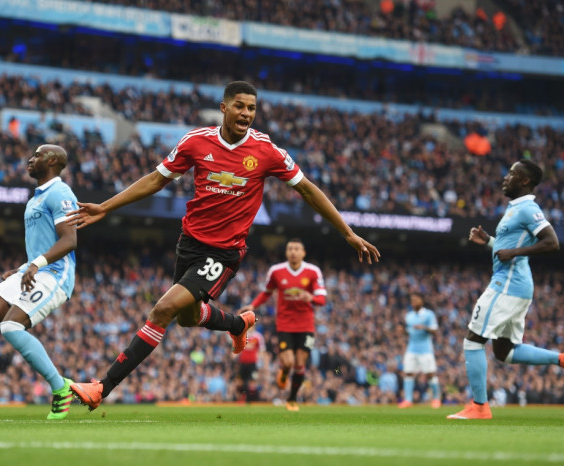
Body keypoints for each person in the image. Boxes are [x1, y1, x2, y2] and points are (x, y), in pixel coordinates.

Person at [66, 81, 380, 410]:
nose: (246, 113)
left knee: (162, 310)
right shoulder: (196, 142)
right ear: (224, 107)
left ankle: (102, 386)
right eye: (240, 106)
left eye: (252, 108)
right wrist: (106, 206)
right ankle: (236, 323)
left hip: (224, 252)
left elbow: (308, 189)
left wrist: (347, 232)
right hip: (189, 244)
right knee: (186, 318)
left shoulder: (266, 151)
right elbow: (157, 179)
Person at [448, 159, 564, 420]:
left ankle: (479, 406)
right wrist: (489, 241)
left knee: (473, 339)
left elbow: (552, 242)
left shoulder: (528, 209)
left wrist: (515, 251)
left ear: (525, 181)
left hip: (508, 284)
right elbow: (507, 249)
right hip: (515, 284)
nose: (506, 177)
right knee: (504, 351)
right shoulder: (514, 209)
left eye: (512, 174)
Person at [0, 144, 78, 420]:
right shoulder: (35, 199)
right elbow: (41, 245)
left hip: (55, 274)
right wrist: (22, 268)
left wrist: (34, 265)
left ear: (52, 160)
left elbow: (70, 240)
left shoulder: (61, 192)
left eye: (37, 155)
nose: (30, 160)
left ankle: (60, 387)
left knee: (10, 326)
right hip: (32, 270)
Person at [237, 238, 326, 411]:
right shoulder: (276, 271)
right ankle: (284, 370)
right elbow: (266, 292)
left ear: (303, 253)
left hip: (306, 325)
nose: (293, 252)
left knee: (300, 363)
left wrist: (312, 298)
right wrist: (253, 305)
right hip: (285, 324)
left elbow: (322, 299)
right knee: (288, 362)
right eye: (290, 249)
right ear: (286, 252)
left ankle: (292, 399)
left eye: (296, 249)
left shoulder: (313, 272)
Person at [397, 291, 441, 409]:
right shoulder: (409, 316)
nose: (413, 302)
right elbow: (410, 332)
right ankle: (408, 400)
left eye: (416, 299)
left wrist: (424, 327)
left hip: (425, 349)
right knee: (408, 373)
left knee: (430, 374)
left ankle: (436, 399)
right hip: (411, 348)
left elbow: (435, 330)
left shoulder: (429, 314)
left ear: (421, 300)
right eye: (412, 300)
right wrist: (403, 332)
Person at [235, 328, 266, 403]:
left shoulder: (258, 336)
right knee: (240, 381)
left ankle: (251, 399)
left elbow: (262, 349)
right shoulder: (242, 335)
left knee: (252, 381)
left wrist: (262, 362)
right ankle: (243, 397)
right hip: (242, 362)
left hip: (253, 363)